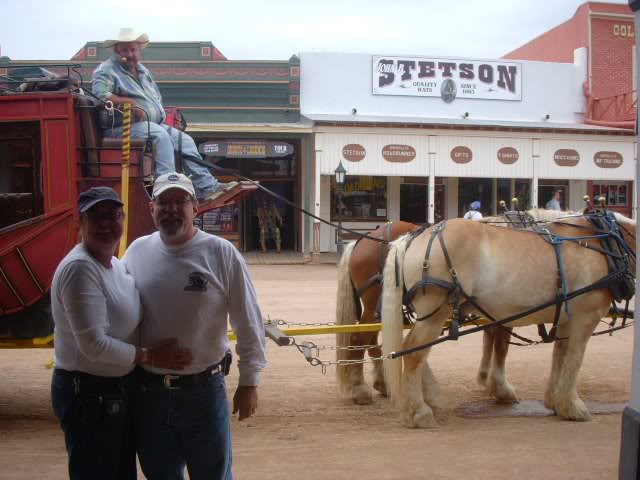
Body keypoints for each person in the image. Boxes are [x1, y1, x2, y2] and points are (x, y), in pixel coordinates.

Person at [123, 172, 267, 479]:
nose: (171, 209)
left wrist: (249, 381)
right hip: (150, 395)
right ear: (152, 209)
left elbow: (248, 319)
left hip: (203, 393)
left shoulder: (221, 253)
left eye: (180, 202)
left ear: (196, 208)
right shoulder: (136, 252)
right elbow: (119, 315)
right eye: (163, 201)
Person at [50, 187, 192, 480]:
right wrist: (149, 355)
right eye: (96, 217)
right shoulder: (80, 269)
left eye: (113, 216)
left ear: (123, 218)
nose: (105, 225)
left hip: (113, 392)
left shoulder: (114, 264)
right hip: (88, 393)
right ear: (81, 223)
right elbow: (94, 345)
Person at [92, 28, 236, 202]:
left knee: (185, 140)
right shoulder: (107, 69)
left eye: (133, 50)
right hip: (120, 128)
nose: (130, 54)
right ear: (117, 51)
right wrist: (128, 103)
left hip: (150, 125)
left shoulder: (143, 71)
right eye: (125, 50)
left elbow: (154, 97)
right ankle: (166, 191)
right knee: (160, 136)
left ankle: (207, 187)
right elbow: (99, 94)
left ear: (139, 50)